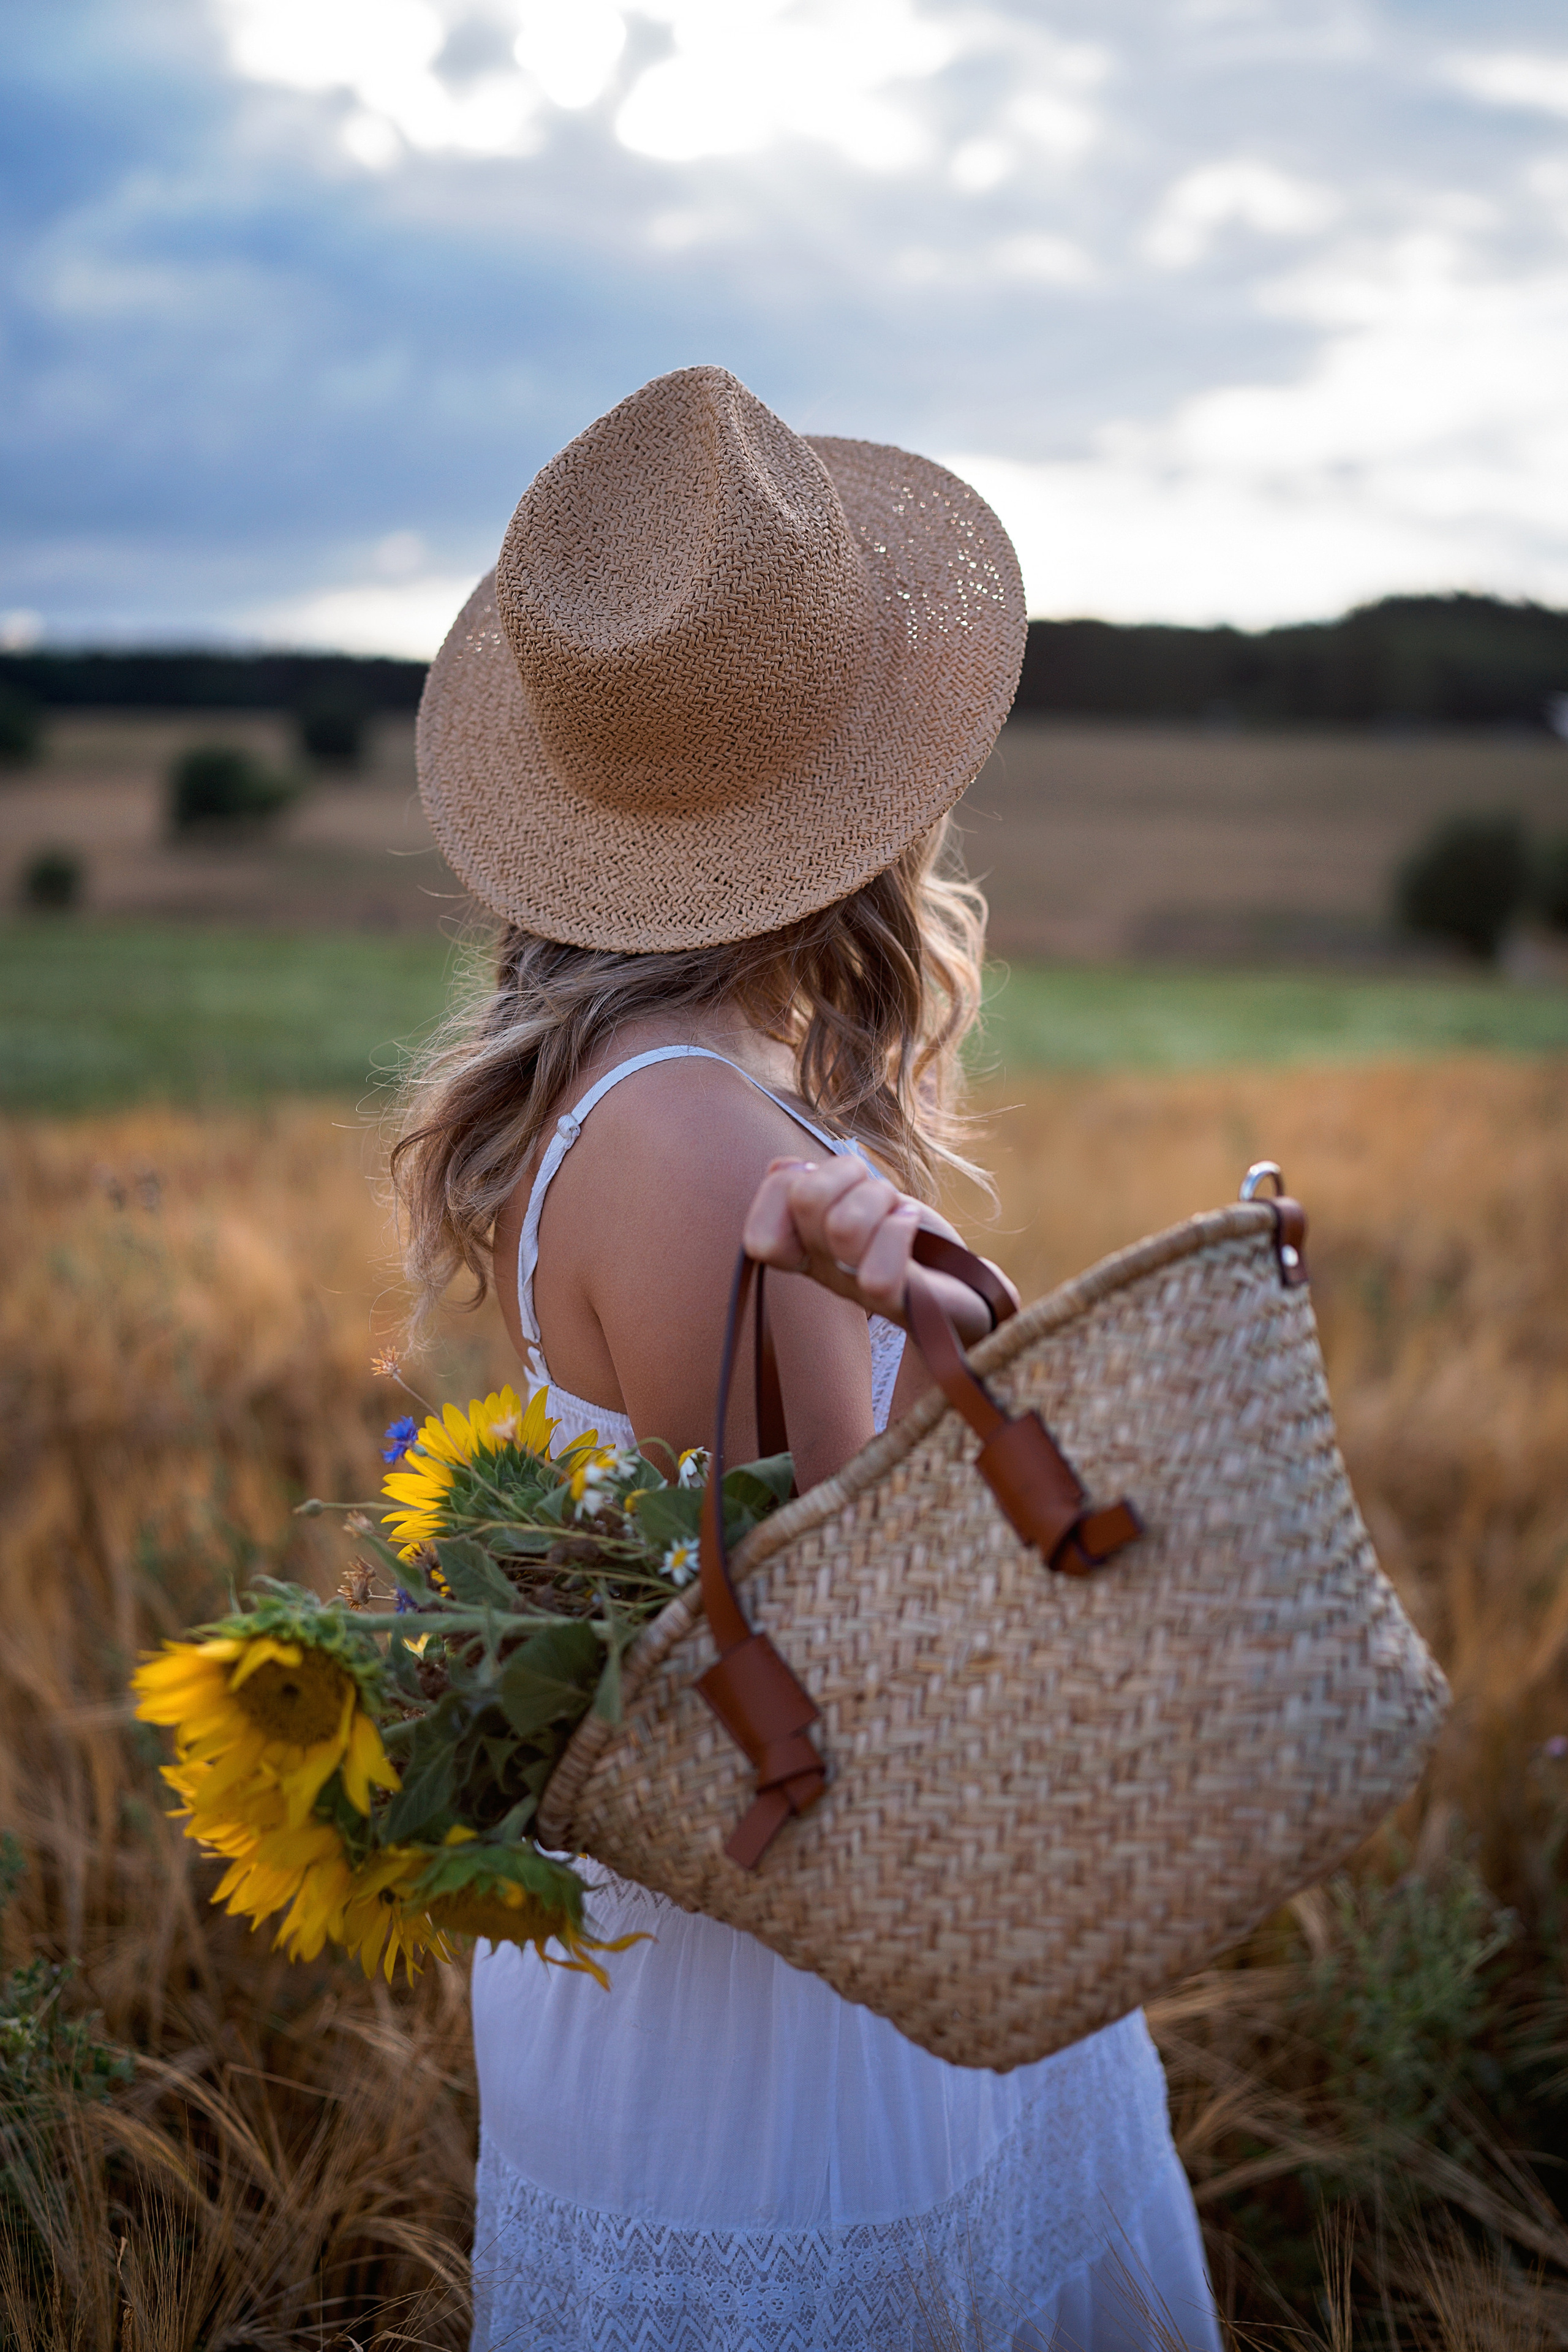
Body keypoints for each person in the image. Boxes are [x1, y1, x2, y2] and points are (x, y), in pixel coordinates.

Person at [394, 366, 1222, 2352]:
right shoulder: (706, 1141)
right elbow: (846, 1638)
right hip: (794, 2002)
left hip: (698, 1958)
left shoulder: (635, 1087)